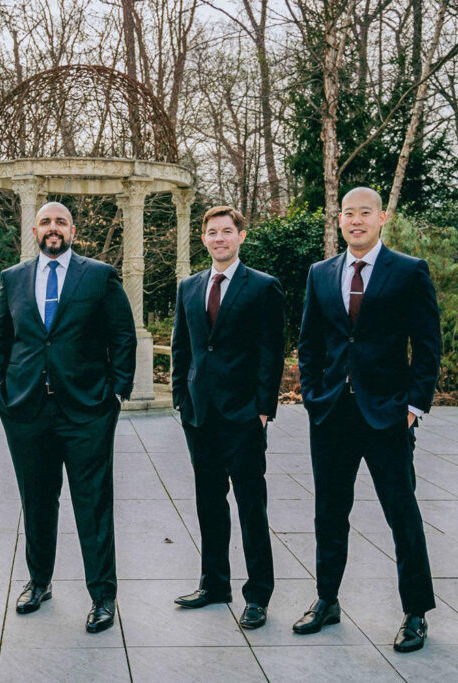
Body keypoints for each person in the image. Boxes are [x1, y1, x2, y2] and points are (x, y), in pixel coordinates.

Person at [294, 187, 441, 652]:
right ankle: (327, 600)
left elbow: (428, 344)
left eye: (365, 213)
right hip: (333, 413)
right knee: (329, 513)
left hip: (388, 415)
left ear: (382, 218)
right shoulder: (321, 273)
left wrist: (414, 407)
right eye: (348, 214)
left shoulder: (409, 271)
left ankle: (415, 613)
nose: (356, 221)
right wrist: (314, 395)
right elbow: (310, 342)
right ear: (339, 220)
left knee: (402, 514)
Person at [0, 201, 136, 633]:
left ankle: (103, 596)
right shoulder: (12, 279)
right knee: (36, 501)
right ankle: (39, 582)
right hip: (27, 409)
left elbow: (122, 335)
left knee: (92, 504)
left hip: (87, 409)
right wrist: (1, 390)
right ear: (34, 230)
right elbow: (1, 338)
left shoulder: (99, 275)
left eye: (61, 222)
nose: (53, 229)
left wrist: (116, 392)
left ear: (73, 230)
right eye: (46, 222)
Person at [170, 206, 285, 630]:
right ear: (204, 239)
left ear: (241, 236)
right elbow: (183, 349)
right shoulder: (189, 287)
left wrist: (262, 411)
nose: (219, 238)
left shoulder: (263, 287)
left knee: (252, 506)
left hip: (243, 416)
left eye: (227, 232)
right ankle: (214, 583)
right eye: (212, 232)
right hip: (200, 416)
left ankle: (257, 595)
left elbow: (272, 354)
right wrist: (181, 399)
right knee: (209, 503)